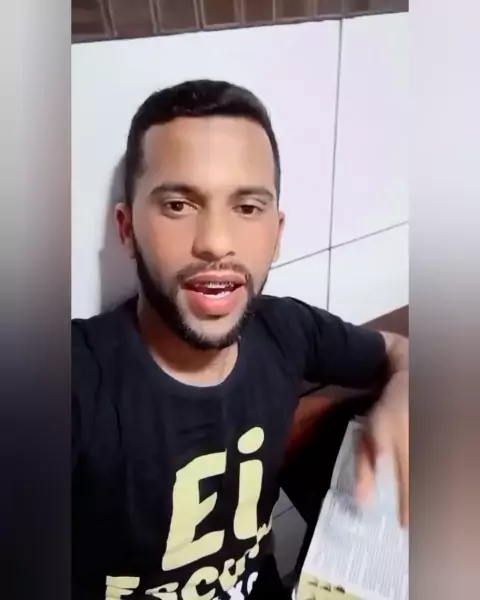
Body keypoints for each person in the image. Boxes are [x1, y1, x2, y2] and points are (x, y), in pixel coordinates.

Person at [72, 79, 409, 600]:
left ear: (277, 233)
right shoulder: (78, 376)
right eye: (178, 205)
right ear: (126, 229)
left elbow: (403, 351)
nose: (216, 243)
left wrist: (404, 396)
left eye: (247, 208)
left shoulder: (286, 330)